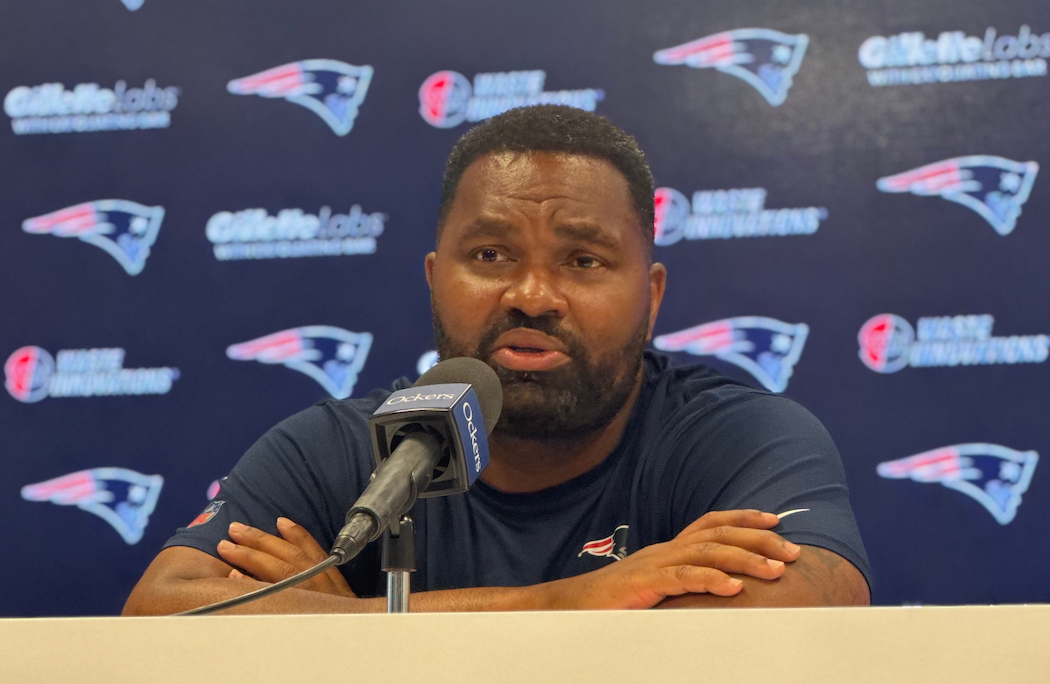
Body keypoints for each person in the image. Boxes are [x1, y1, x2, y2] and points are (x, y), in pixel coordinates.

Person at [124, 105, 870, 615]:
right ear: (433, 279)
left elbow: (810, 601)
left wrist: (345, 618)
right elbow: (162, 608)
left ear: (651, 297)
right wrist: (559, 602)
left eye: (582, 259)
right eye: (490, 255)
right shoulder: (334, 449)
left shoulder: (737, 437)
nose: (533, 294)